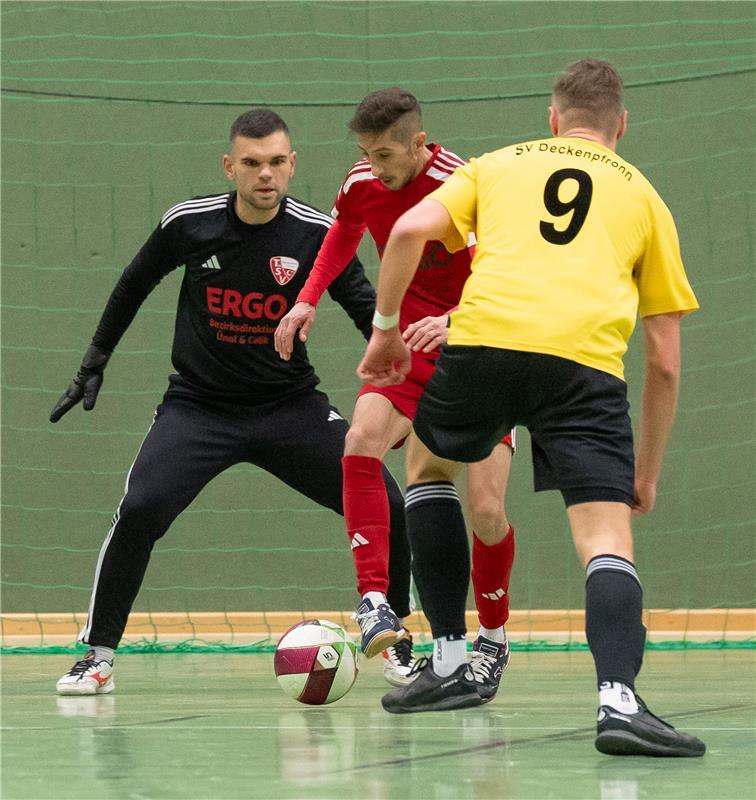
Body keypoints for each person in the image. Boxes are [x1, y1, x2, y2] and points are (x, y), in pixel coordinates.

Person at [358, 59, 706, 757]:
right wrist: (646, 472)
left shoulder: (495, 165)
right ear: (621, 127)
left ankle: (452, 662)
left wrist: (386, 329)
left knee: (427, 470)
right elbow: (665, 359)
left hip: (482, 345)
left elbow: (403, 235)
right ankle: (617, 702)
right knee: (604, 541)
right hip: (582, 368)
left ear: (552, 119)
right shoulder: (644, 196)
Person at [51, 108, 413, 694]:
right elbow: (133, 282)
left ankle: (398, 644)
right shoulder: (188, 224)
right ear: (230, 166)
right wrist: (94, 360)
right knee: (139, 508)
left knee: (389, 504)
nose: (264, 174)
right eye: (251, 163)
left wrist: (403, 380)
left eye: (276, 162)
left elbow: (368, 310)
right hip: (199, 409)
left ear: (292, 165)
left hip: (290, 407)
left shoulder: (318, 233)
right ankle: (97, 656)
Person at [274, 89, 516, 700]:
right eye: (365, 152)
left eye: (385, 153)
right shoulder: (362, 183)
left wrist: (459, 318)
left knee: (486, 512)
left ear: (418, 142)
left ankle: (494, 637)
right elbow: (343, 234)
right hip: (404, 348)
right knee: (359, 438)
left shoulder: (460, 185)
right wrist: (305, 300)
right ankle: (377, 601)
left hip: (477, 348)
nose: (375, 165)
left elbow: (504, 269)